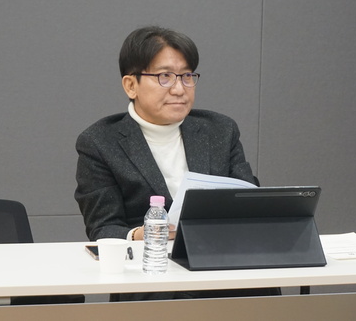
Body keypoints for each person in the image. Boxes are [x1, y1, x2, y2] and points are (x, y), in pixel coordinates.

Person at [74, 26, 275, 300]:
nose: (180, 89)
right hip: (150, 276)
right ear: (131, 85)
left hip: (221, 264)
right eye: (165, 77)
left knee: (263, 288)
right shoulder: (100, 142)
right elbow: (104, 228)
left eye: (187, 76)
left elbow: (249, 199)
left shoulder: (219, 130)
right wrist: (142, 234)